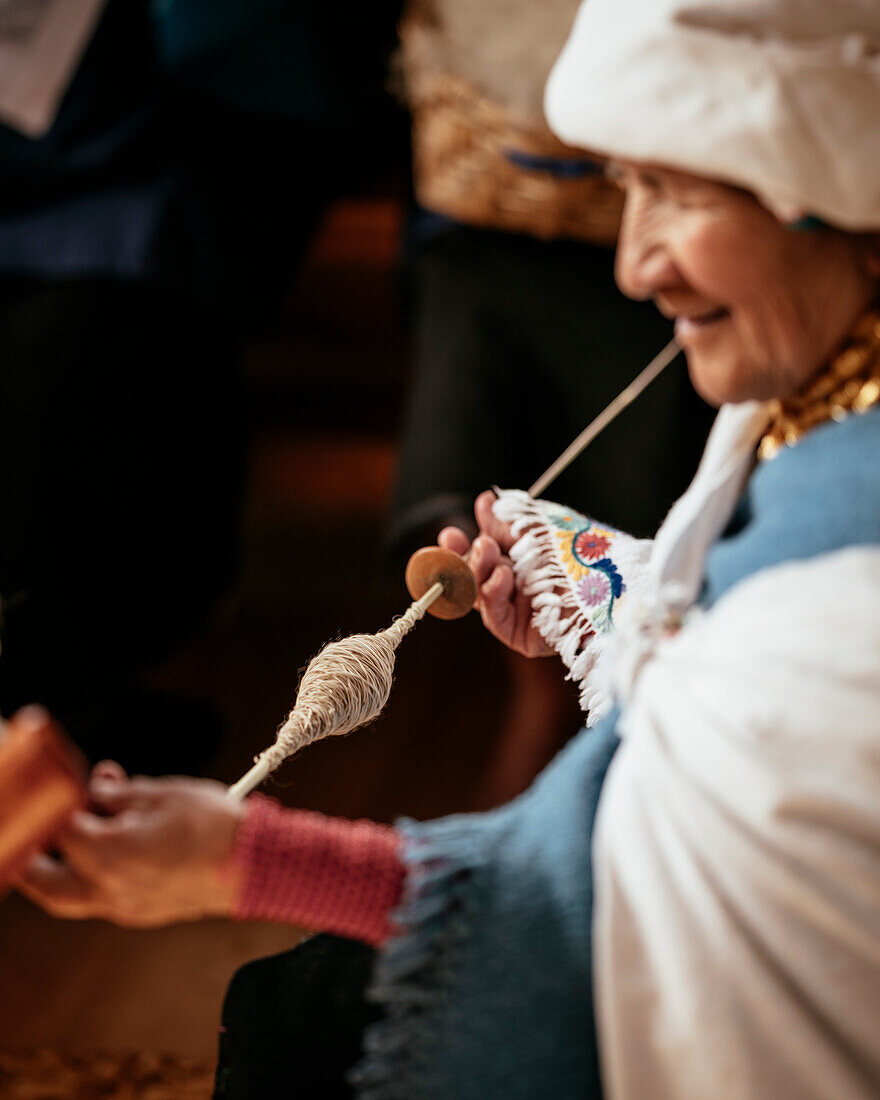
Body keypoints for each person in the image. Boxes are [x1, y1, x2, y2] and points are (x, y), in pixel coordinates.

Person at [13, 0, 880, 1097]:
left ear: (836, 189)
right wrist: (608, 584)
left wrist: (238, 858)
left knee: (305, 1026)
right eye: (626, 189)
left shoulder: (840, 612)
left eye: (677, 192)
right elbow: (743, 687)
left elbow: (580, 921)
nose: (631, 264)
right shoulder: (822, 393)